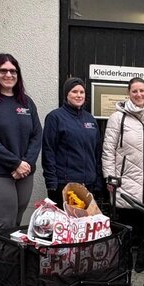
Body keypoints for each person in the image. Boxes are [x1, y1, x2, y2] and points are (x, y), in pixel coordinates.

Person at [102, 77, 144, 272]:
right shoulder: (118, 117)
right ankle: (123, 262)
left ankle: (142, 256)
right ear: (128, 93)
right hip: (125, 181)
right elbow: (108, 150)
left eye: (142, 91)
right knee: (126, 225)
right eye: (134, 91)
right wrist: (110, 177)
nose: (138, 95)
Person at [0, 53, 42, 230]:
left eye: (13, 71)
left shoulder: (26, 102)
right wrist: (15, 163)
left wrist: (26, 164)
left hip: (24, 173)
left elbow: (36, 135)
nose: (9, 75)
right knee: (4, 224)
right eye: (3, 70)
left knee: (17, 224)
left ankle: (13, 258)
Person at [41, 78, 102, 206]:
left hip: (88, 184)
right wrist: (51, 182)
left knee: (84, 224)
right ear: (66, 94)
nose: (79, 95)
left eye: (82, 92)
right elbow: (48, 151)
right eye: (74, 92)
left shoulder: (90, 119)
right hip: (65, 185)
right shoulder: (55, 117)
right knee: (67, 224)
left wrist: (97, 181)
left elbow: (97, 152)